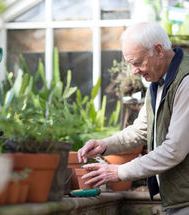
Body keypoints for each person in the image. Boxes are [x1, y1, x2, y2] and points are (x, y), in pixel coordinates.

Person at [78, 21, 189, 215]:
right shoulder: (158, 82)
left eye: (137, 63)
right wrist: (104, 145)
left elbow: (174, 150)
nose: (134, 71)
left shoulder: (186, 82)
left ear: (158, 50)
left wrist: (119, 172)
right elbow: (141, 130)